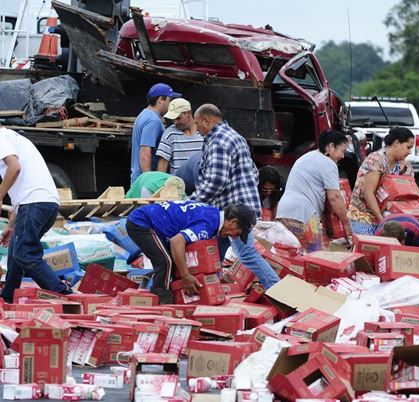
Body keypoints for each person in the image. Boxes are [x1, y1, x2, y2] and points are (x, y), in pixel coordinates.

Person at [189, 104, 279, 289]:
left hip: (235, 213)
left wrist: (192, 203)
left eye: (198, 124)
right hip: (236, 208)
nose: (197, 130)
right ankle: (212, 290)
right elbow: (254, 173)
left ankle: (279, 291)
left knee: (246, 254)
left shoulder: (219, 142)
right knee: (215, 250)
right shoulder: (234, 136)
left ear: (207, 120)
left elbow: (216, 181)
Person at [127, 200, 257, 304]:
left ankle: (168, 297)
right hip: (141, 222)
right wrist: (185, 276)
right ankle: (161, 303)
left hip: (154, 223)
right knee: (166, 262)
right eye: (237, 233)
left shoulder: (214, 215)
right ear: (233, 222)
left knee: (173, 261)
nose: (234, 237)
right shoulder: (208, 225)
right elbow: (176, 241)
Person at [0, 127, 73, 303]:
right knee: (16, 253)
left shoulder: (1, 138)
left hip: (35, 204)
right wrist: (11, 226)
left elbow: (14, 168)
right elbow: (22, 191)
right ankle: (8, 297)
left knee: (25, 253)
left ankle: (63, 293)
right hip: (43, 203)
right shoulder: (14, 138)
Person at [276, 130, 351, 252]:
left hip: (283, 213)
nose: (343, 156)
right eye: (342, 151)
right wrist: (347, 223)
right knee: (317, 258)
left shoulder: (307, 157)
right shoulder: (328, 163)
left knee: (294, 256)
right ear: (331, 147)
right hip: (304, 215)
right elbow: (335, 198)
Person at [348, 126, 415, 235]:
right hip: (364, 217)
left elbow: (409, 194)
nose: (410, 152)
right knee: (370, 249)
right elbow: (368, 193)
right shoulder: (375, 160)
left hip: (389, 220)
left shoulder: (406, 167)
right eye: (408, 147)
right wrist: (382, 220)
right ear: (396, 143)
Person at [130, 83, 181, 184]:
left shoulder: (144, 115)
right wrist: (148, 181)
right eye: (169, 100)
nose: (171, 104)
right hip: (144, 183)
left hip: (139, 179)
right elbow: (145, 151)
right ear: (160, 99)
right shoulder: (153, 121)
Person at [156, 98, 203, 174]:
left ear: (188, 113)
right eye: (173, 119)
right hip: (177, 184)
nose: (175, 122)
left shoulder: (204, 132)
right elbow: (163, 164)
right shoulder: (170, 133)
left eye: (178, 118)